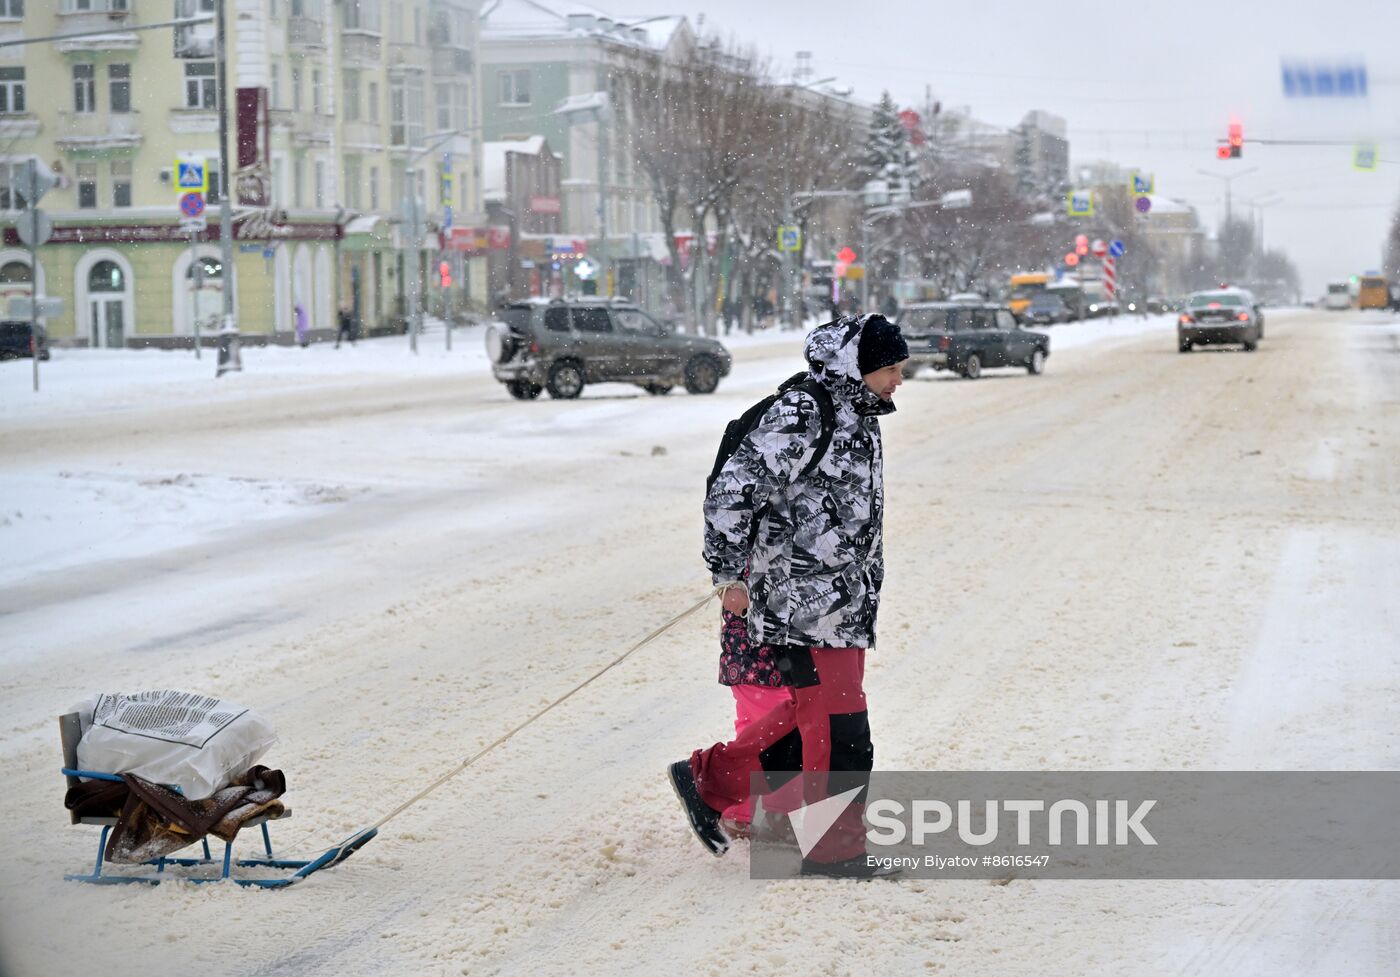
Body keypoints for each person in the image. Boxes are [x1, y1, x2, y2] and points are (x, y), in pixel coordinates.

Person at [667, 313, 909, 878]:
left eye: (901, 368)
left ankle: (711, 779)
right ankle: (834, 850)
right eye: (890, 369)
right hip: (800, 603)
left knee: (808, 719)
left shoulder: (859, 414)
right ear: (858, 367)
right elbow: (732, 492)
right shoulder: (805, 411)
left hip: (840, 603)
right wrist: (728, 574)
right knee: (843, 732)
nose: (899, 380)